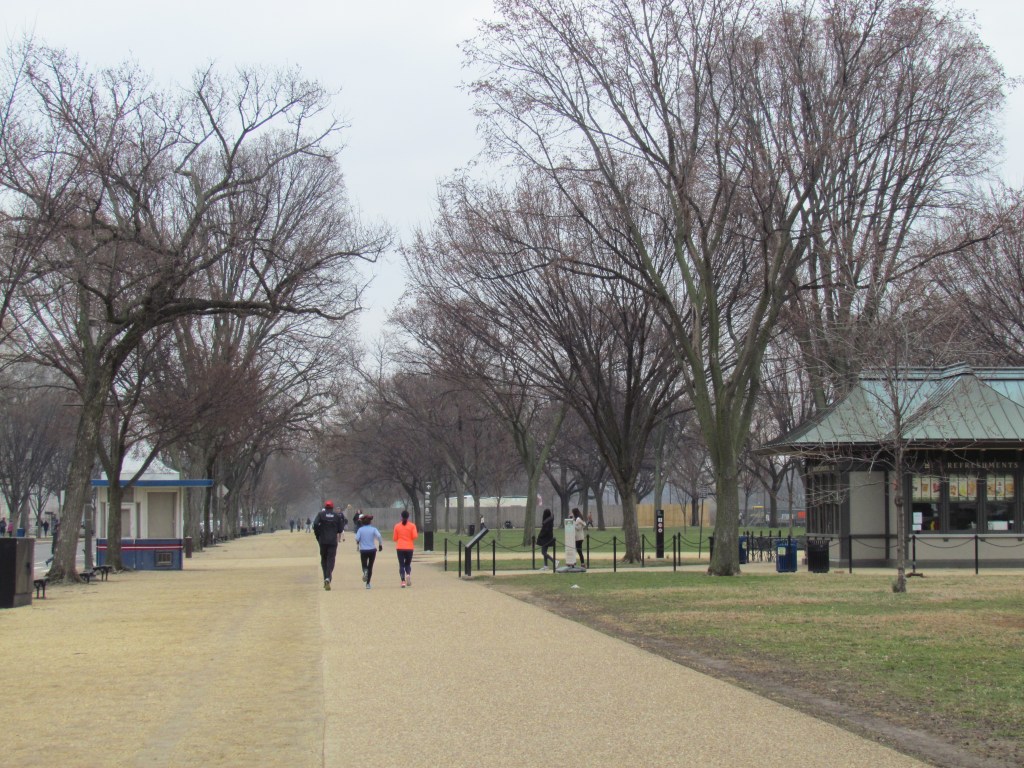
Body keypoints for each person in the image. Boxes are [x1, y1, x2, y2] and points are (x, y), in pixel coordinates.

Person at [312, 500, 345, 590]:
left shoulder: (321, 514)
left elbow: (315, 524)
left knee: (324, 559)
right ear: (332, 507)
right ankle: (328, 577)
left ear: (325, 507)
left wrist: (318, 534)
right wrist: (336, 531)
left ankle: (326, 578)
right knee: (331, 559)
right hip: (332, 541)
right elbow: (341, 529)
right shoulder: (336, 516)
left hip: (322, 540)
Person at [355, 514, 383, 589]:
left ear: (363, 522)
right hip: (372, 550)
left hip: (363, 550)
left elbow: (357, 538)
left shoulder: (360, 530)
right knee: (370, 566)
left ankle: (365, 571)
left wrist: (359, 541)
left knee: (364, 565)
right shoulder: (373, 529)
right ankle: (368, 583)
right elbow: (379, 536)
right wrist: (380, 545)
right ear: (370, 522)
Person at [392, 509, 418, 588]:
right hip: (409, 547)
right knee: (408, 564)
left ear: (401, 516)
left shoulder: (397, 526)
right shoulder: (412, 526)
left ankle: (403, 581)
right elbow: (415, 536)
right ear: (408, 517)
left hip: (400, 547)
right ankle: (408, 574)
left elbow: (394, 538)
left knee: (401, 564)